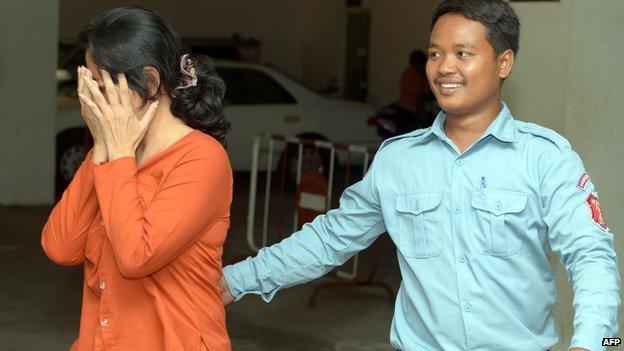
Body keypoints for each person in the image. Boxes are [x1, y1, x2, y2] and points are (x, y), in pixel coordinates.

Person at [220, 1, 620, 350]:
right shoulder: (398, 160)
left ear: (503, 62)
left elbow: (591, 257)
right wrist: (236, 279)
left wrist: (596, 343)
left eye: (463, 53)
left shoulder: (545, 157)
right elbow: (329, 239)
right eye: (434, 54)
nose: (444, 67)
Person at [41, 6, 233, 350]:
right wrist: (101, 148)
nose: (91, 99)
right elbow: (60, 247)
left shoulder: (201, 159)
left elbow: (135, 256)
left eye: (101, 86)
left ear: (151, 81)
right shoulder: (113, 153)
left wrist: (117, 154)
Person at [395, 50, 432, 132]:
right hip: (405, 111)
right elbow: (411, 90)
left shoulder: (423, 75)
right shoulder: (409, 74)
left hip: (417, 112)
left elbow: (427, 90)